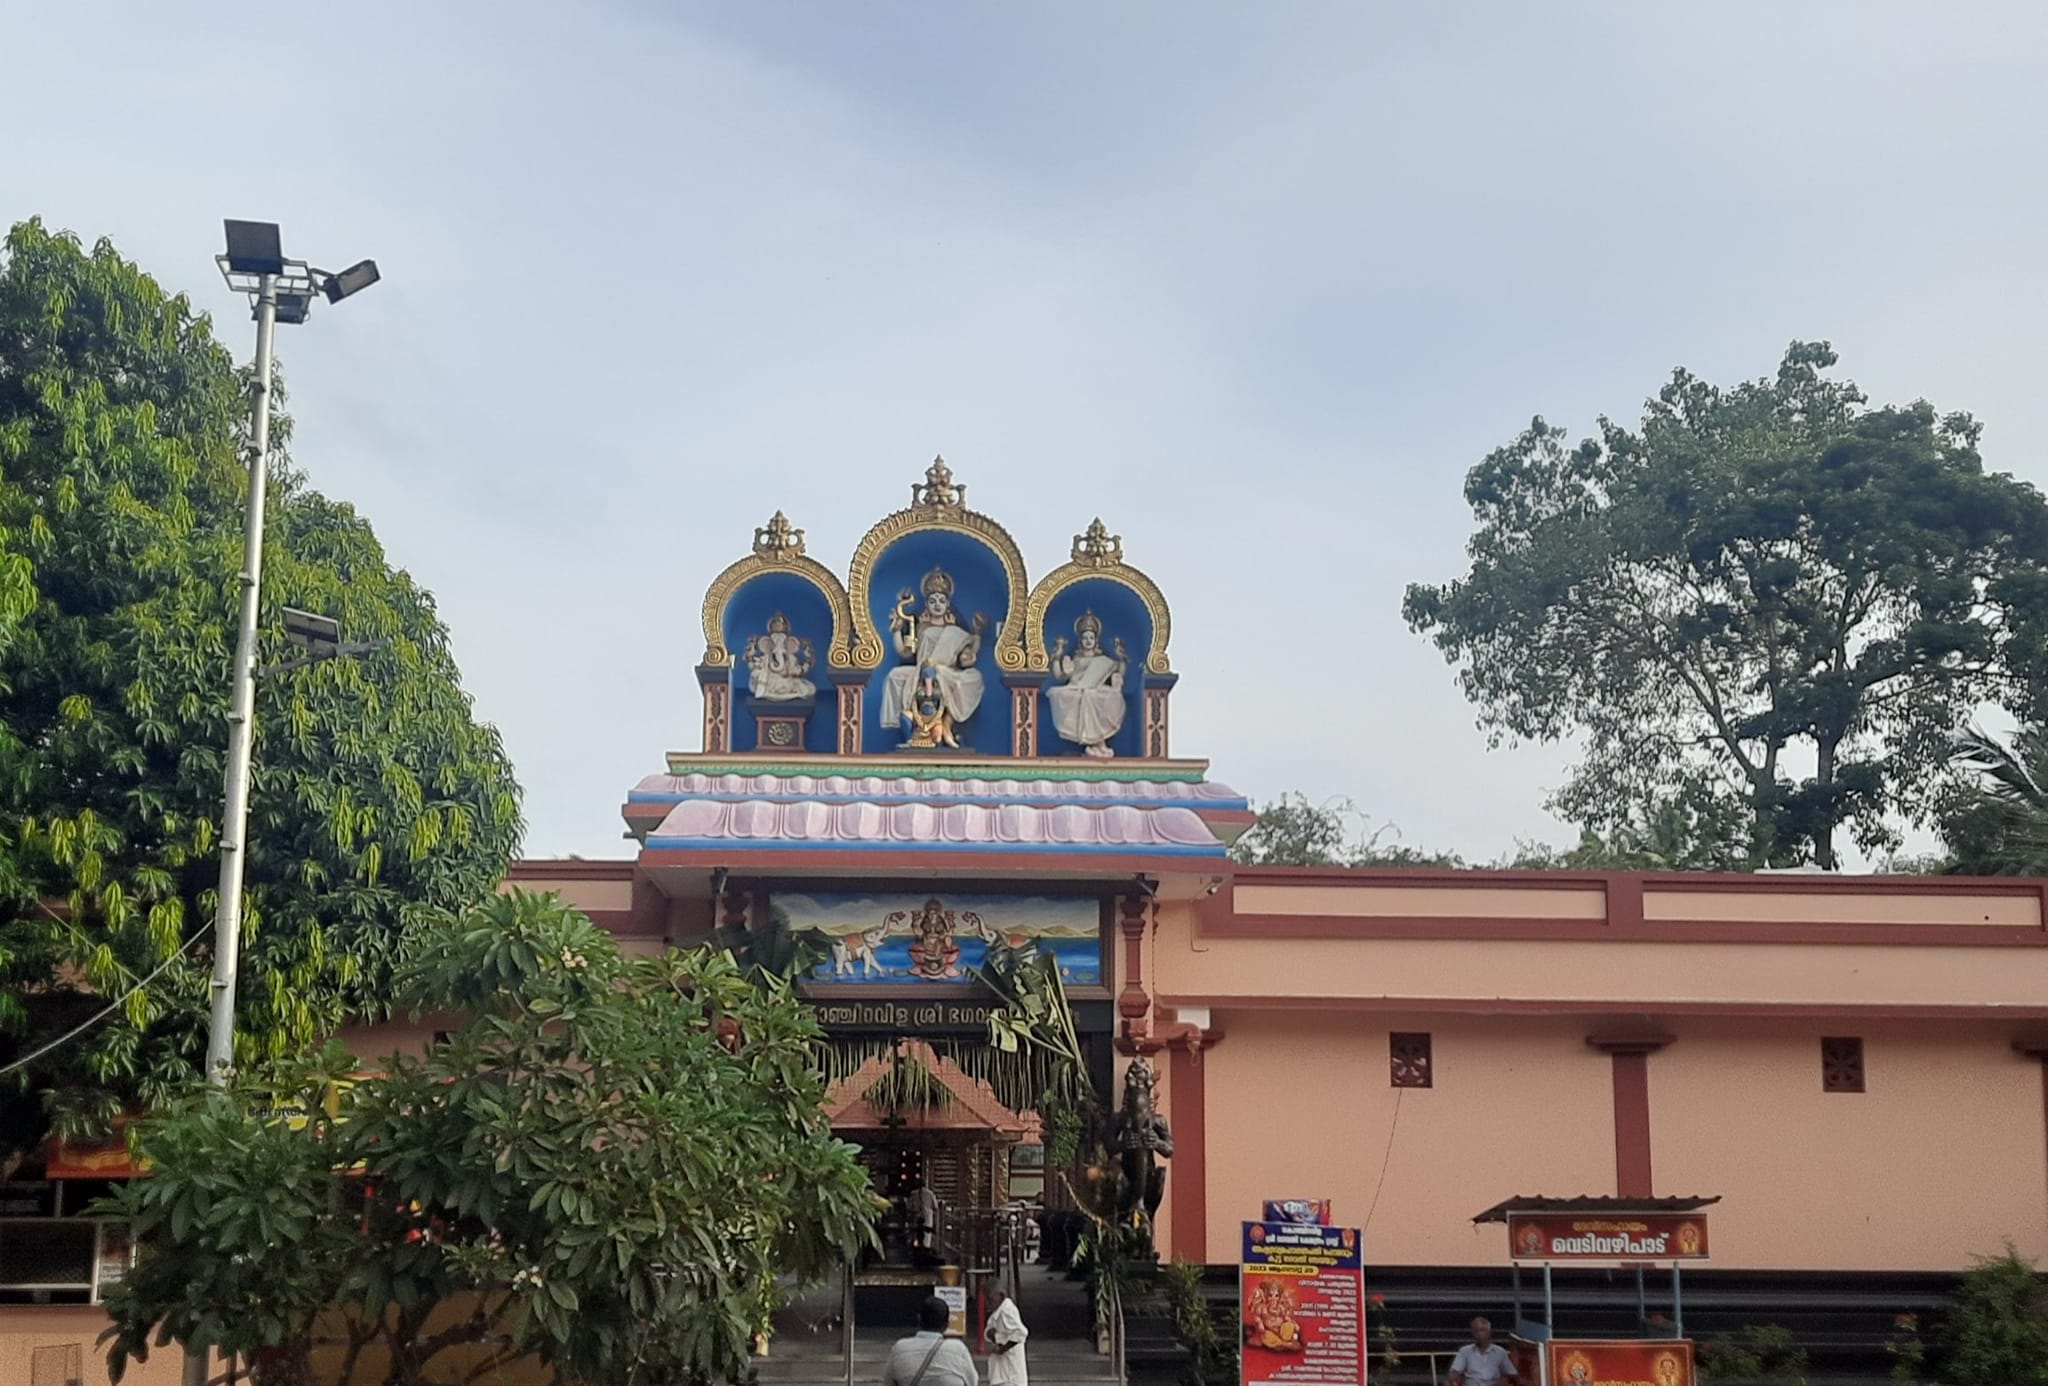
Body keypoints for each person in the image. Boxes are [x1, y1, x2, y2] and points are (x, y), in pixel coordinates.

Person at [884, 1295, 978, 1386]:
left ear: (919, 1319)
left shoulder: (899, 1349)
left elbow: (889, 1382)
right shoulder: (958, 1349)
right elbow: (973, 1381)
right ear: (947, 1324)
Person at [1448, 1317, 1518, 1386]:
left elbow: (1512, 1374)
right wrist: (1454, 1378)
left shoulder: (1500, 1352)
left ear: (1490, 1332)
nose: (1479, 1334)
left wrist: (1504, 1379)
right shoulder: (1464, 1351)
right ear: (1472, 1333)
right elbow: (1454, 1372)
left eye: (1482, 1330)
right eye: (1476, 1331)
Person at [984, 1288, 1029, 1386]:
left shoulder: (1006, 1311)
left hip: (1009, 1371)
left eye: (990, 1299)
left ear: (1000, 1295)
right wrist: (993, 1336)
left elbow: (1020, 1333)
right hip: (1003, 1369)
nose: (988, 1303)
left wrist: (1003, 1349)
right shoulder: (998, 1311)